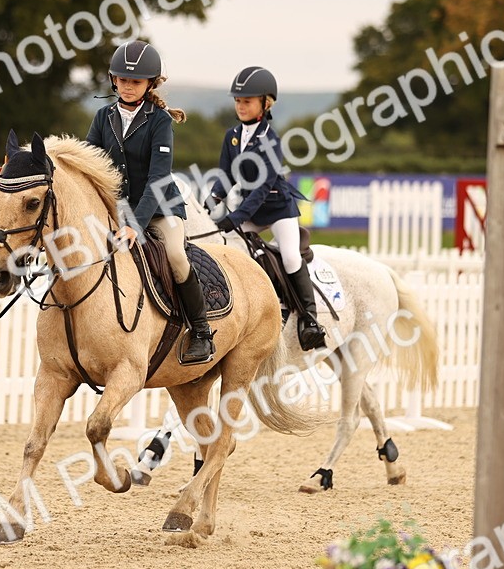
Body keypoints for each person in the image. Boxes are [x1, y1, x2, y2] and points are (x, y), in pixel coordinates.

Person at [84, 40, 214, 365]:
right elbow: (87, 162)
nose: (128, 86)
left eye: (136, 81)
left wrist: (134, 226)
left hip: (159, 210)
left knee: (175, 255)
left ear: (149, 84)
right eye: (123, 80)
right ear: (114, 80)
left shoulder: (160, 121)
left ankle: (201, 330)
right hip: (118, 211)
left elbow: (157, 179)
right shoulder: (103, 117)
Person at [208, 66, 326, 352]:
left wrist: (235, 217)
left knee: (289, 258)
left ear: (265, 103)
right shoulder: (232, 136)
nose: (240, 106)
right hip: (251, 211)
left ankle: (310, 320)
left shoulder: (270, 139)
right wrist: (211, 201)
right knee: (236, 253)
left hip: (277, 209)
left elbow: (262, 188)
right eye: (237, 100)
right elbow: (226, 176)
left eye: (246, 101)